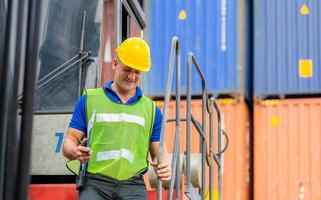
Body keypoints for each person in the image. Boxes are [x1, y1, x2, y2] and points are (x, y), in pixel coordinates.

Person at [62, 37, 171, 199]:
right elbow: (69, 142)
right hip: (95, 184)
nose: (132, 76)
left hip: (133, 185)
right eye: (127, 69)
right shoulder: (89, 99)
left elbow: (159, 152)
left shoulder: (152, 110)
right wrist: (75, 151)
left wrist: (166, 166)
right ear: (114, 63)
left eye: (137, 72)